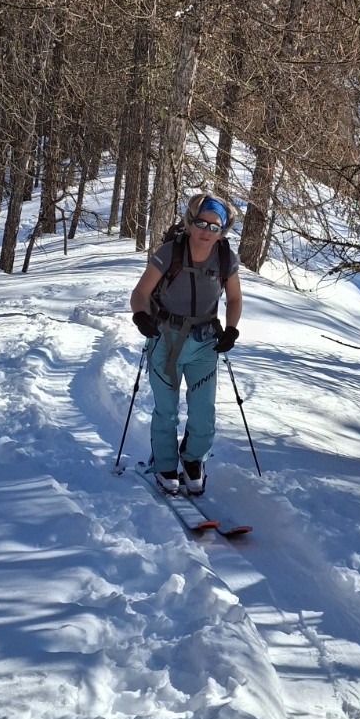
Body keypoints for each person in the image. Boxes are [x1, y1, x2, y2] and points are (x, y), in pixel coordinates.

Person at [130, 193, 242, 495]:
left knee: (203, 411)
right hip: (165, 338)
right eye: (202, 223)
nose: (207, 231)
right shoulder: (170, 253)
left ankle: (193, 460)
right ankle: (165, 464)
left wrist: (231, 330)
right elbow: (140, 292)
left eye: (215, 226)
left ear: (222, 230)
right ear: (190, 223)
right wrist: (141, 317)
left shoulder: (225, 258)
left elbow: (234, 298)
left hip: (205, 342)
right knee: (166, 410)